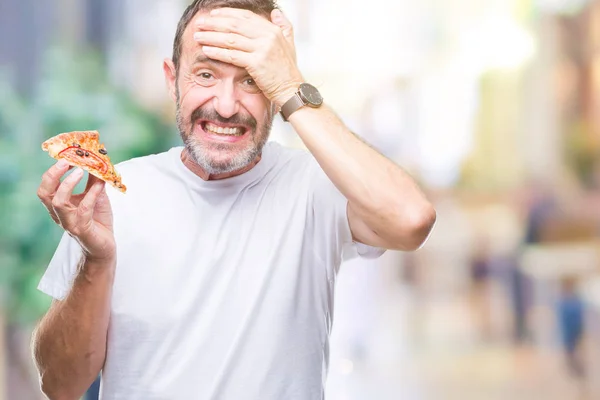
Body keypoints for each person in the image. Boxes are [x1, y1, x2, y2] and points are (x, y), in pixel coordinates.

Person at [31, 1, 436, 399]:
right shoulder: (115, 199)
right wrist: (96, 260)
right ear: (172, 79)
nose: (225, 107)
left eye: (252, 81)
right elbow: (60, 385)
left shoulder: (315, 188)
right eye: (206, 74)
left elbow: (411, 219)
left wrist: (292, 86)